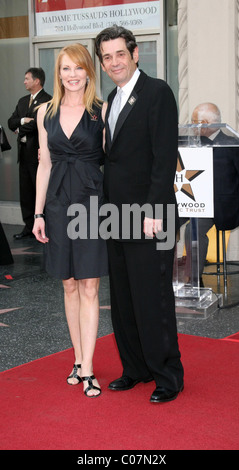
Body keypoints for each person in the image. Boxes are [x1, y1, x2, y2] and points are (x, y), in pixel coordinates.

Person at [95, 26, 184, 403]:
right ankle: (135, 368)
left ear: (135, 54)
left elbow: (164, 160)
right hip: (116, 214)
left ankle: (167, 376)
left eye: (120, 53)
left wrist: (152, 212)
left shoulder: (157, 92)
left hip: (150, 214)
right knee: (125, 297)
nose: (114, 62)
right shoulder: (110, 101)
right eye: (107, 57)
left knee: (153, 298)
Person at [32, 44, 108, 398]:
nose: (72, 75)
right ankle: (77, 359)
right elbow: (44, 164)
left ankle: (89, 367)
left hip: (92, 202)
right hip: (59, 204)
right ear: (58, 72)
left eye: (78, 68)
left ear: (88, 72)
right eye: (65, 69)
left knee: (90, 284)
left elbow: (116, 160)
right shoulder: (44, 111)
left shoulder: (101, 109)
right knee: (69, 284)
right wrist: (37, 213)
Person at [184, 103, 239, 281]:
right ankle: (189, 281)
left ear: (206, 123)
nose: (192, 126)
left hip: (226, 205)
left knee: (192, 229)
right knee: (175, 225)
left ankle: (193, 280)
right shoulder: (189, 144)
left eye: (195, 122)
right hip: (194, 202)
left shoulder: (235, 144)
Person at [8, 68, 52, 240]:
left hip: (39, 155)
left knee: (41, 191)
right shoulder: (22, 101)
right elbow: (10, 122)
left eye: (27, 79)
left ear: (37, 81)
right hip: (24, 154)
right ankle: (28, 227)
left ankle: (45, 225)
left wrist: (20, 128)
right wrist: (21, 122)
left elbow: (37, 125)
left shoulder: (47, 100)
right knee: (26, 192)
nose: (24, 82)